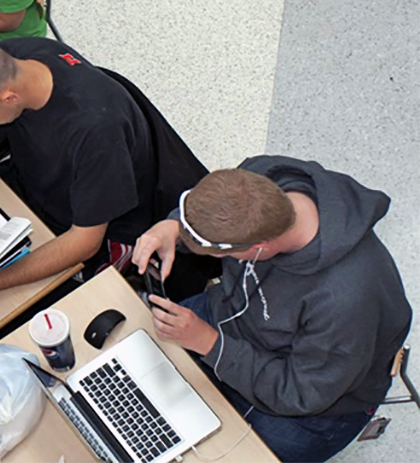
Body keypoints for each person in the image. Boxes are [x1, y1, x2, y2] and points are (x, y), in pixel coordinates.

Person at [133, 159, 411, 463]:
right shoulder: (258, 179)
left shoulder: (345, 300)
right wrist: (172, 228)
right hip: (231, 318)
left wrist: (210, 344)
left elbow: (301, 394)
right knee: (136, 378)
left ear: (259, 249)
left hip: (309, 406)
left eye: (219, 253)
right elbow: (209, 211)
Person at [0, 40, 176, 311]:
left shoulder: (98, 132)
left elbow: (83, 244)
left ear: (10, 98)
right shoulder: (10, 62)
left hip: (89, 229)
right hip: (32, 190)